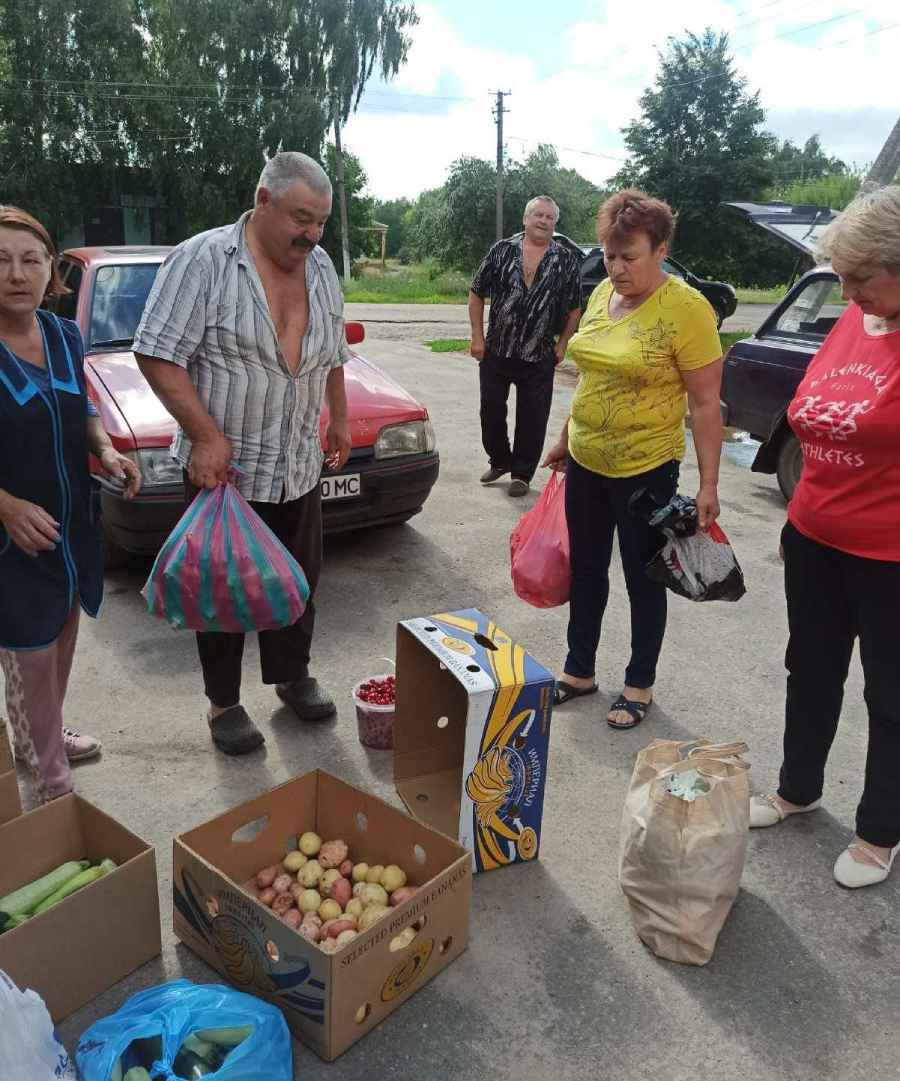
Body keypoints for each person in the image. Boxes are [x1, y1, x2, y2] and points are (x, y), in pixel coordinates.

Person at [134, 152, 351, 756]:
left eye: (321, 223)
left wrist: (341, 417)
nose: (311, 234)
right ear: (262, 201)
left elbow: (333, 350)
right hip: (224, 472)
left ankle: (290, 677)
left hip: (298, 463)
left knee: (299, 582)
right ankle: (223, 704)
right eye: (301, 218)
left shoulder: (322, 266)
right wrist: (204, 434)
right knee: (221, 594)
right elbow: (156, 353)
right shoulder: (202, 259)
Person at [749, 185, 900, 889]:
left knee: (891, 695)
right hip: (814, 538)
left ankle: (880, 830)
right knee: (809, 669)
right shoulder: (851, 322)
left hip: (890, 557)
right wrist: (799, 519)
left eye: (860, 276)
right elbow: (814, 419)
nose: (846, 290)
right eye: (840, 275)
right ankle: (797, 787)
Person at [542, 189, 723, 729]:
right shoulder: (600, 295)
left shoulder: (687, 310)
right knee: (587, 571)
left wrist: (709, 485)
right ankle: (579, 670)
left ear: (661, 249)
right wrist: (566, 436)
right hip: (587, 460)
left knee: (643, 578)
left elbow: (707, 403)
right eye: (609, 255)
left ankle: (638, 684)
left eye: (629, 256)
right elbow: (592, 375)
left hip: (647, 468)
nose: (616, 268)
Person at [0, 206, 141, 802]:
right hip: (13, 537)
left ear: (50, 270)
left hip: (72, 524)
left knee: (60, 640)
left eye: (30, 260)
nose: (16, 273)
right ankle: (49, 775)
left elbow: (80, 407)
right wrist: (5, 506)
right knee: (28, 649)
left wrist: (106, 450)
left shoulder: (64, 334)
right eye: (1, 261)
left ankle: (42, 736)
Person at [469, 195, 582, 497]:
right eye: (538, 215)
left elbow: (574, 307)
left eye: (549, 218)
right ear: (525, 219)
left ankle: (521, 473)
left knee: (533, 418)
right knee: (490, 411)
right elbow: (476, 292)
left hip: (539, 354)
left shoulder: (565, 260)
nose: (544, 221)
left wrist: (563, 345)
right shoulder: (501, 251)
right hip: (497, 349)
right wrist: (477, 337)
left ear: (554, 224)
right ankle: (500, 459)